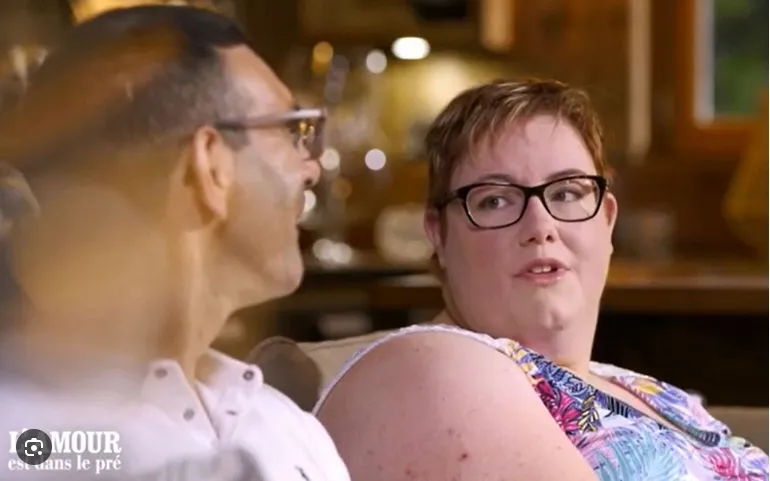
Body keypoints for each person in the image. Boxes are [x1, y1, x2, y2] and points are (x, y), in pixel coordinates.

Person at [314, 79, 769, 480]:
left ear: (607, 220)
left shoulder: (640, 389)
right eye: (495, 200)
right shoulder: (430, 367)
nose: (540, 225)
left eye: (567, 192)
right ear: (437, 233)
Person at [0, 5, 349, 480]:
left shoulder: (282, 423)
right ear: (210, 163)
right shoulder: (36, 442)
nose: (311, 167)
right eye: (289, 131)